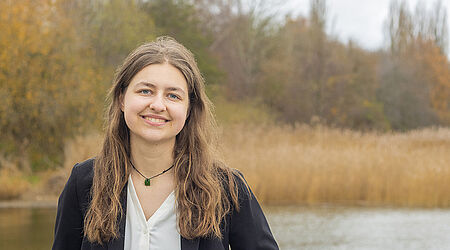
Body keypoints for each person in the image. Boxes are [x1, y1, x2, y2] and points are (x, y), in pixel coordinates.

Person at [52, 36, 279, 250]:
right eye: (145, 91)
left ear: (189, 108)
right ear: (122, 99)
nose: (158, 105)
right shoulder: (84, 183)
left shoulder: (227, 189)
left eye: (173, 95)